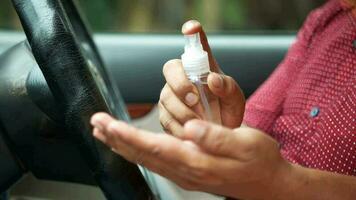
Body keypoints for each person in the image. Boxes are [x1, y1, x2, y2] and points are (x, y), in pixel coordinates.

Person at [90, 0, 356, 199]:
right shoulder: (329, 19)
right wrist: (217, 121)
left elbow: (270, 177)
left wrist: (284, 183)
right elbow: (244, 132)